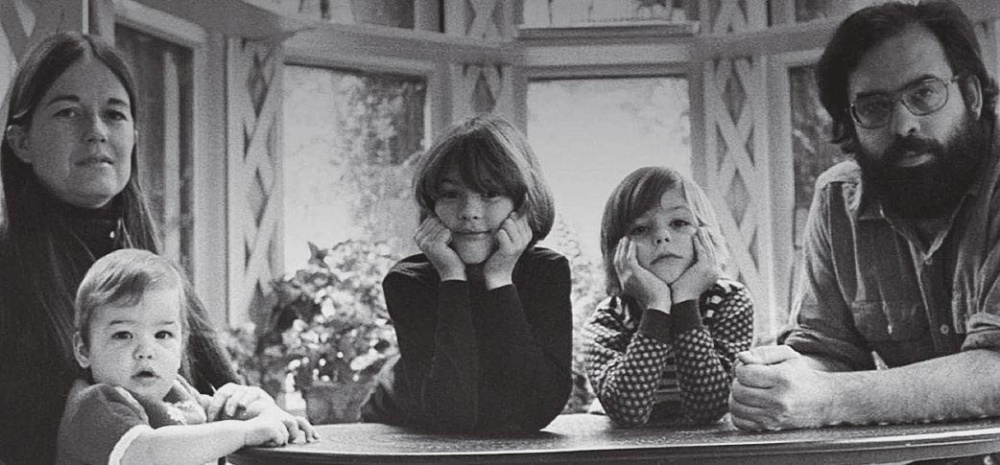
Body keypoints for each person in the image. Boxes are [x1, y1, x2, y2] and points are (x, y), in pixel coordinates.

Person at [730, 0, 1000, 432]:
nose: (903, 125)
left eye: (924, 93)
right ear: (850, 121)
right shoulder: (837, 200)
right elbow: (827, 352)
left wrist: (827, 398)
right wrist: (780, 379)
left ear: (970, 94)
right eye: (874, 106)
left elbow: (996, 373)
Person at [0, 32, 238, 463]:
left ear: (134, 136)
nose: (96, 131)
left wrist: (247, 404)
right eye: (68, 112)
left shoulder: (156, 274)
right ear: (21, 142)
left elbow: (221, 399)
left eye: (114, 114)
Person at [360, 115, 572, 433]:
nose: (469, 212)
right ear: (431, 205)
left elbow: (537, 409)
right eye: (450, 194)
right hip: (394, 432)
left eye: (490, 193)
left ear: (521, 205)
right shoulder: (408, 281)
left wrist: (500, 281)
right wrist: (452, 280)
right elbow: (451, 415)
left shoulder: (546, 272)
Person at [57, 249, 318, 465]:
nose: (146, 350)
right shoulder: (95, 405)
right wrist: (245, 432)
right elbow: (147, 453)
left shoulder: (178, 394)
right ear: (84, 350)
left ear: (182, 345)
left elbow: (223, 416)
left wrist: (268, 413)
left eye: (162, 334)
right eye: (123, 335)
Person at [583, 166, 753, 426]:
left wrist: (685, 302)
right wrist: (657, 306)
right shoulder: (609, 318)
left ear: (707, 237)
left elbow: (708, 409)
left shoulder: (729, 302)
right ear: (618, 253)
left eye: (679, 223)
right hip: (630, 445)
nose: (662, 236)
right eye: (640, 229)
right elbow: (629, 412)